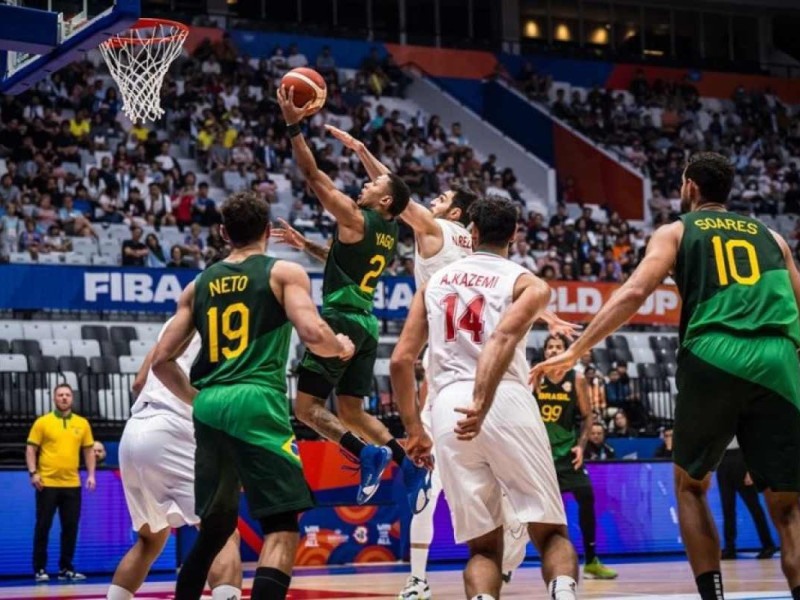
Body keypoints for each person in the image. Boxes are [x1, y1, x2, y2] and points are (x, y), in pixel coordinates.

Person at [532, 152, 800, 600]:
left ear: (690, 187)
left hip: (714, 352)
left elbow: (636, 291)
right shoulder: (774, 238)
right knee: (789, 507)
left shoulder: (677, 230)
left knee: (691, 485)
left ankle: (712, 596)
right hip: (779, 361)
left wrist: (577, 349)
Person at [151, 191, 354, 600]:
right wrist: (342, 348)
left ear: (224, 232)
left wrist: (199, 401)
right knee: (281, 525)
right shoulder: (283, 272)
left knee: (214, 530)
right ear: (268, 231)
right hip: (257, 399)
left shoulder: (198, 283)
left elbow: (160, 361)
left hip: (210, 404)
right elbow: (314, 335)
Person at [391, 197, 580, 600]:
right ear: (514, 233)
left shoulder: (433, 284)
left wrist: (414, 431)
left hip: (446, 409)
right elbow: (502, 338)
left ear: (471, 232)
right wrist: (481, 400)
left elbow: (400, 360)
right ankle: (563, 592)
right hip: (503, 398)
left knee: (482, 547)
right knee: (551, 533)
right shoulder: (529, 283)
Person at [276, 86, 423, 506]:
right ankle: (406, 464)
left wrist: (293, 126)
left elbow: (313, 177)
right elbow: (343, 259)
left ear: (386, 199)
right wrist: (307, 246)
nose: (365, 183)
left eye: (373, 183)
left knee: (306, 410)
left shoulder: (355, 216)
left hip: (339, 320)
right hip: (367, 325)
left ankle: (366, 454)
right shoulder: (390, 231)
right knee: (353, 412)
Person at [107, 321, 242, 600]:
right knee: (223, 533)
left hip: (134, 431)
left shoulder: (175, 322)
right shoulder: (227, 318)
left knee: (150, 539)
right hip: (173, 428)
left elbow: (138, 383)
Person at [534, 334, 618, 580]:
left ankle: (591, 559)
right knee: (527, 509)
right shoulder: (536, 377)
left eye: (558, 347)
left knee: (586, 497)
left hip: (568, 453)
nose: (553, 350)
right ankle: (508, 562)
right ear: (544, 352)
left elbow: (588, 417)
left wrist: (581, 446)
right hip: (541, 455)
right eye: (549, 347)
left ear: (565, 351)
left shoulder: (577, 378)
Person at [25, 383, 96, 582]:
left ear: (72, 398)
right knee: (43, 526)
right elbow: (31, 449)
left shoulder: (82, 423)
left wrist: (91, 475)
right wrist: (33, 472)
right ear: (54, 398)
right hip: (46, 483)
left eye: (67, 395)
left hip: (72, 484)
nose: (64, 398)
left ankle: (66, 568)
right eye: (60, 395)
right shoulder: (42, 422)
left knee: (71, 527)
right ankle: (39, 568)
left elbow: (89, 450)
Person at [717, 437, 778, 560]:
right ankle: (729, 548)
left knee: (754, 507)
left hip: (741, 458)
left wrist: (750, 469)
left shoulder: (742, 418)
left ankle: (768, 545)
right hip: (722, 458)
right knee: (727, 508)